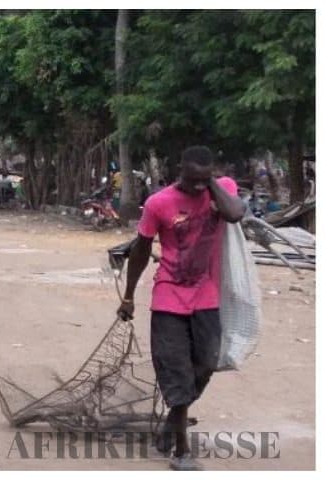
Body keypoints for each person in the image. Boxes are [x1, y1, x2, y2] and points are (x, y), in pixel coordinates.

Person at [117, 146, 245, 471]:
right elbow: (141, 251)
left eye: (205, 179)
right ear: (180, 171)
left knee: (206, 365)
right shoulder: (159, 203)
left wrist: (210, 184)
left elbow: (235, 214)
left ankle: (170, 425)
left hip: (208, 297)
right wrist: (129, 296)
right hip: (169, 297)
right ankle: (181, 450)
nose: (198, 187)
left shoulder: (222, 190)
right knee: (176, 370)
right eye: (193, 180)